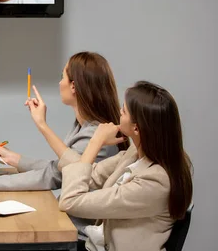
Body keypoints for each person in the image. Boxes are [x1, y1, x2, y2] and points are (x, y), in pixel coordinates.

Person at [0, 52, 128, 240]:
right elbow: (57, 168)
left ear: (74, 86)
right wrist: (15, 159)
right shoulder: (83, 127)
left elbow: (53, 177)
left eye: (62, 77)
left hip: (75, 234)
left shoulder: (95, 136)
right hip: (65, 222)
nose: (59, 83)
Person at [58, 81, 193, 251]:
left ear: (136, 129)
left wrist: (95, 142)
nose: (118, 113)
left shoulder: (156, 181)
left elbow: (71, 202)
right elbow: (90, 175)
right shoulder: (135, 153)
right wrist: (42, 125)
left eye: (123, 111)